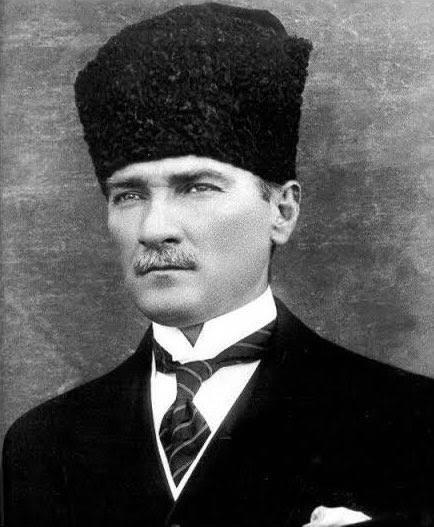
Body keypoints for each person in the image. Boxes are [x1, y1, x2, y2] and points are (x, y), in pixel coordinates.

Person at [2, 3, 434, 527]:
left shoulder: (410, 421)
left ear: (282, 211)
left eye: (197, 187)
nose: (154, 228)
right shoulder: (43, 444)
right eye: (129, 194)